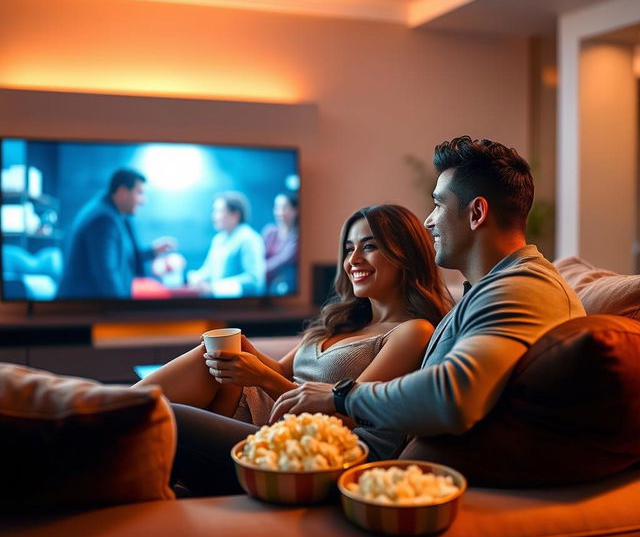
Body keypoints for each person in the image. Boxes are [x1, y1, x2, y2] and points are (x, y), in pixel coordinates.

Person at [270, 136, 585, 455]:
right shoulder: (492, 288)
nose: (428, 221)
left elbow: (454, 396)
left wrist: (341, 397)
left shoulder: (523, 287)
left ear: (476, 212)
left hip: (380, 468)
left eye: (438, 205)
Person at [136, 204, 452, 495]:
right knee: (206, 358)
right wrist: (247, 351)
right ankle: (97, 419)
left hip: (295, 442)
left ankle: (101, 422)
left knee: (164, 417)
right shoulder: (342, 320)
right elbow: (283, 372)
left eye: (369, 246)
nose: (353, 260)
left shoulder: (411, 331)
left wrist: (263, 378)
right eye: (348, 248)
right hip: (260, 411)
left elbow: (354, 416)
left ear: (405, 255)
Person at [57, 169, 175, 299]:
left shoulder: (112, 214)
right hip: (83, 311)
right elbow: (107, 274)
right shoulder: (103, 220)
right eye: (140, 193)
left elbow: (124, 258)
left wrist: (153, 250)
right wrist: (122, 311)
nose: (143, 201)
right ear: (123, 192)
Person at [187, 191, 266, 297]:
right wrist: (196, 278)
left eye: (219, 211)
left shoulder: (249, 239)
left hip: (240, 308)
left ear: (235, 214)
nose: (214, 216)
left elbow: (254, 280)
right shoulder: (219, 239)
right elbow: (209, 270)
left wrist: (214, 288)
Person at [262, 192, 299, 295]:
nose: (279, 212)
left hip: (284, 285)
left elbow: (282, 261)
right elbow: (258, 255)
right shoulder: (269, 232)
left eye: (284, 208)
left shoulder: (297, 237)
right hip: (264, 284)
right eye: (277, 208)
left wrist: (257, 269)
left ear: (295, 210)